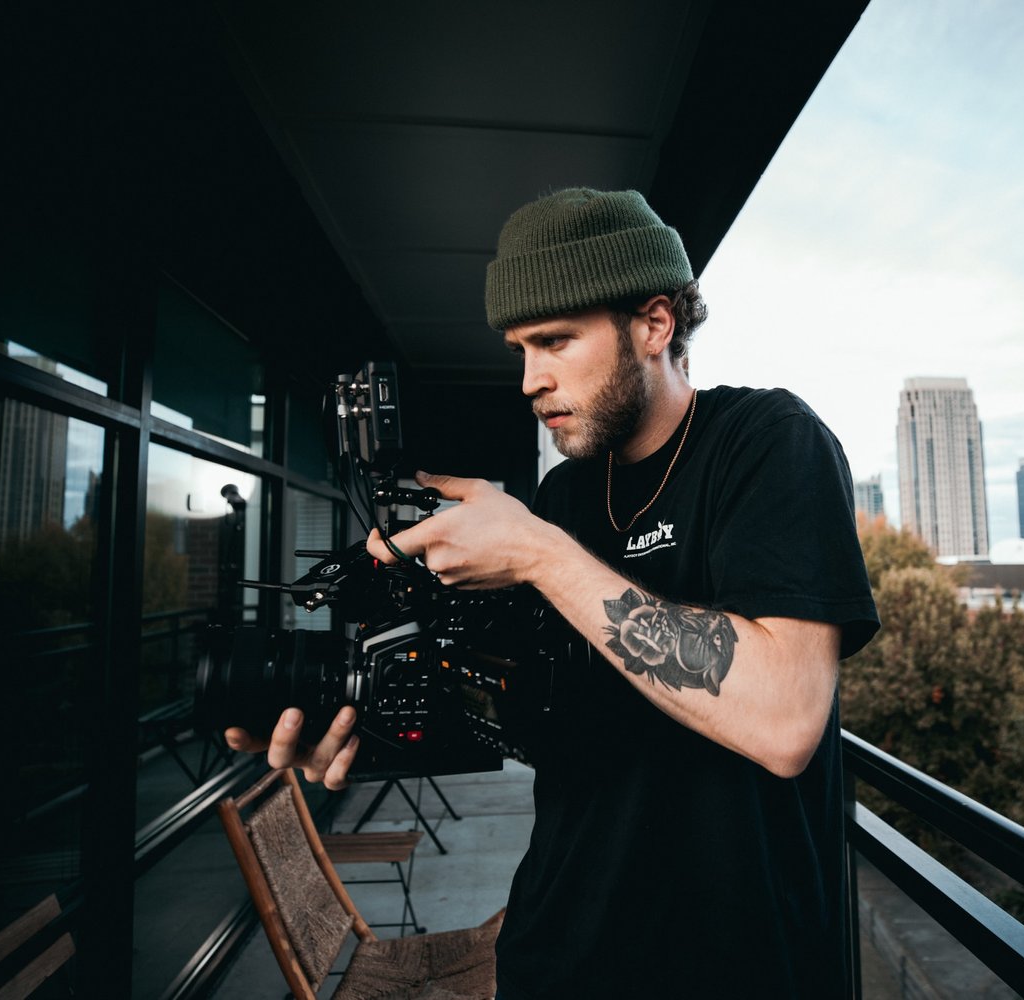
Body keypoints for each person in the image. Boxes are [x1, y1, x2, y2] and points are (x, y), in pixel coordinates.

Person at [227, 187, 878, 999]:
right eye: (519, 351)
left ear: (654, 324)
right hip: (553, 954)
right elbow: (532, 716)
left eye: (556, 341)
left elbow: (785, 718)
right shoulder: (565, 495)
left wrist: (537, 552)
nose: (531, 380)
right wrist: (376, 725)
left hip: (732, 967)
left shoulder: (768, 443)